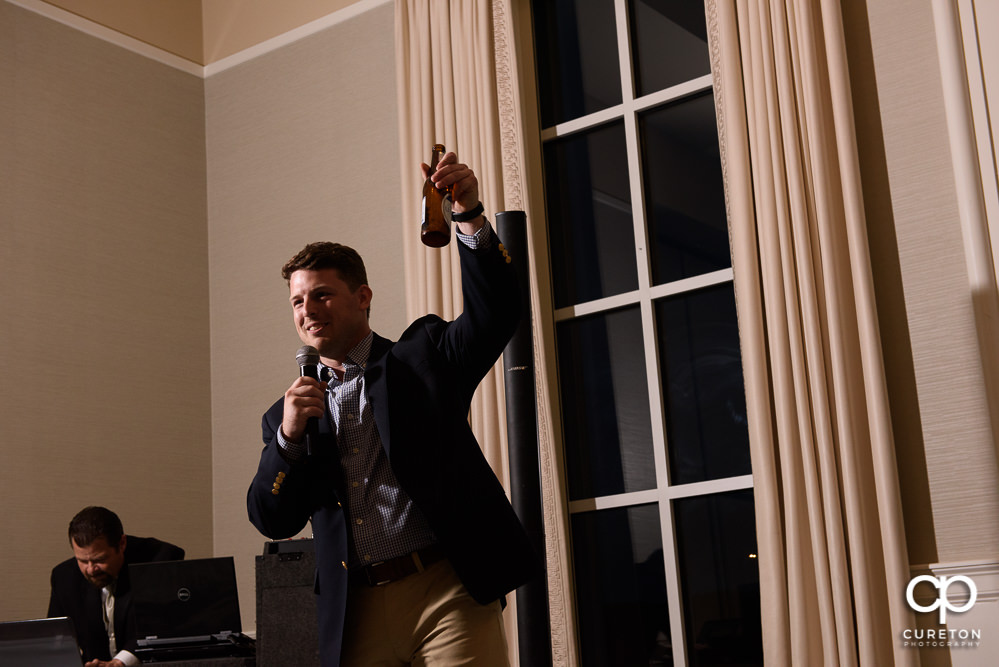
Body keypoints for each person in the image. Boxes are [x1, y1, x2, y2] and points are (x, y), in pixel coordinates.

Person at [247, 152, 537, 666]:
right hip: (353, 609)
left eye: (322, 295)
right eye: (298, 301)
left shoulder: (421, 357)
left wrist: (467, 216)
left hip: (446, 593)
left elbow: (496, 315)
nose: (308, 311)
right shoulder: (286, 415)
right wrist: (288, 442)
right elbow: (272, 519)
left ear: (362, 297)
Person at [47, 506, 184, 667]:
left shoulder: (159, 560)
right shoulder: (64, 576)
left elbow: (161, 622)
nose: (91, 569)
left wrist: (121, 662)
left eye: (100, 559)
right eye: (83, 561)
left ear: (122, 544)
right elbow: (57, 639)